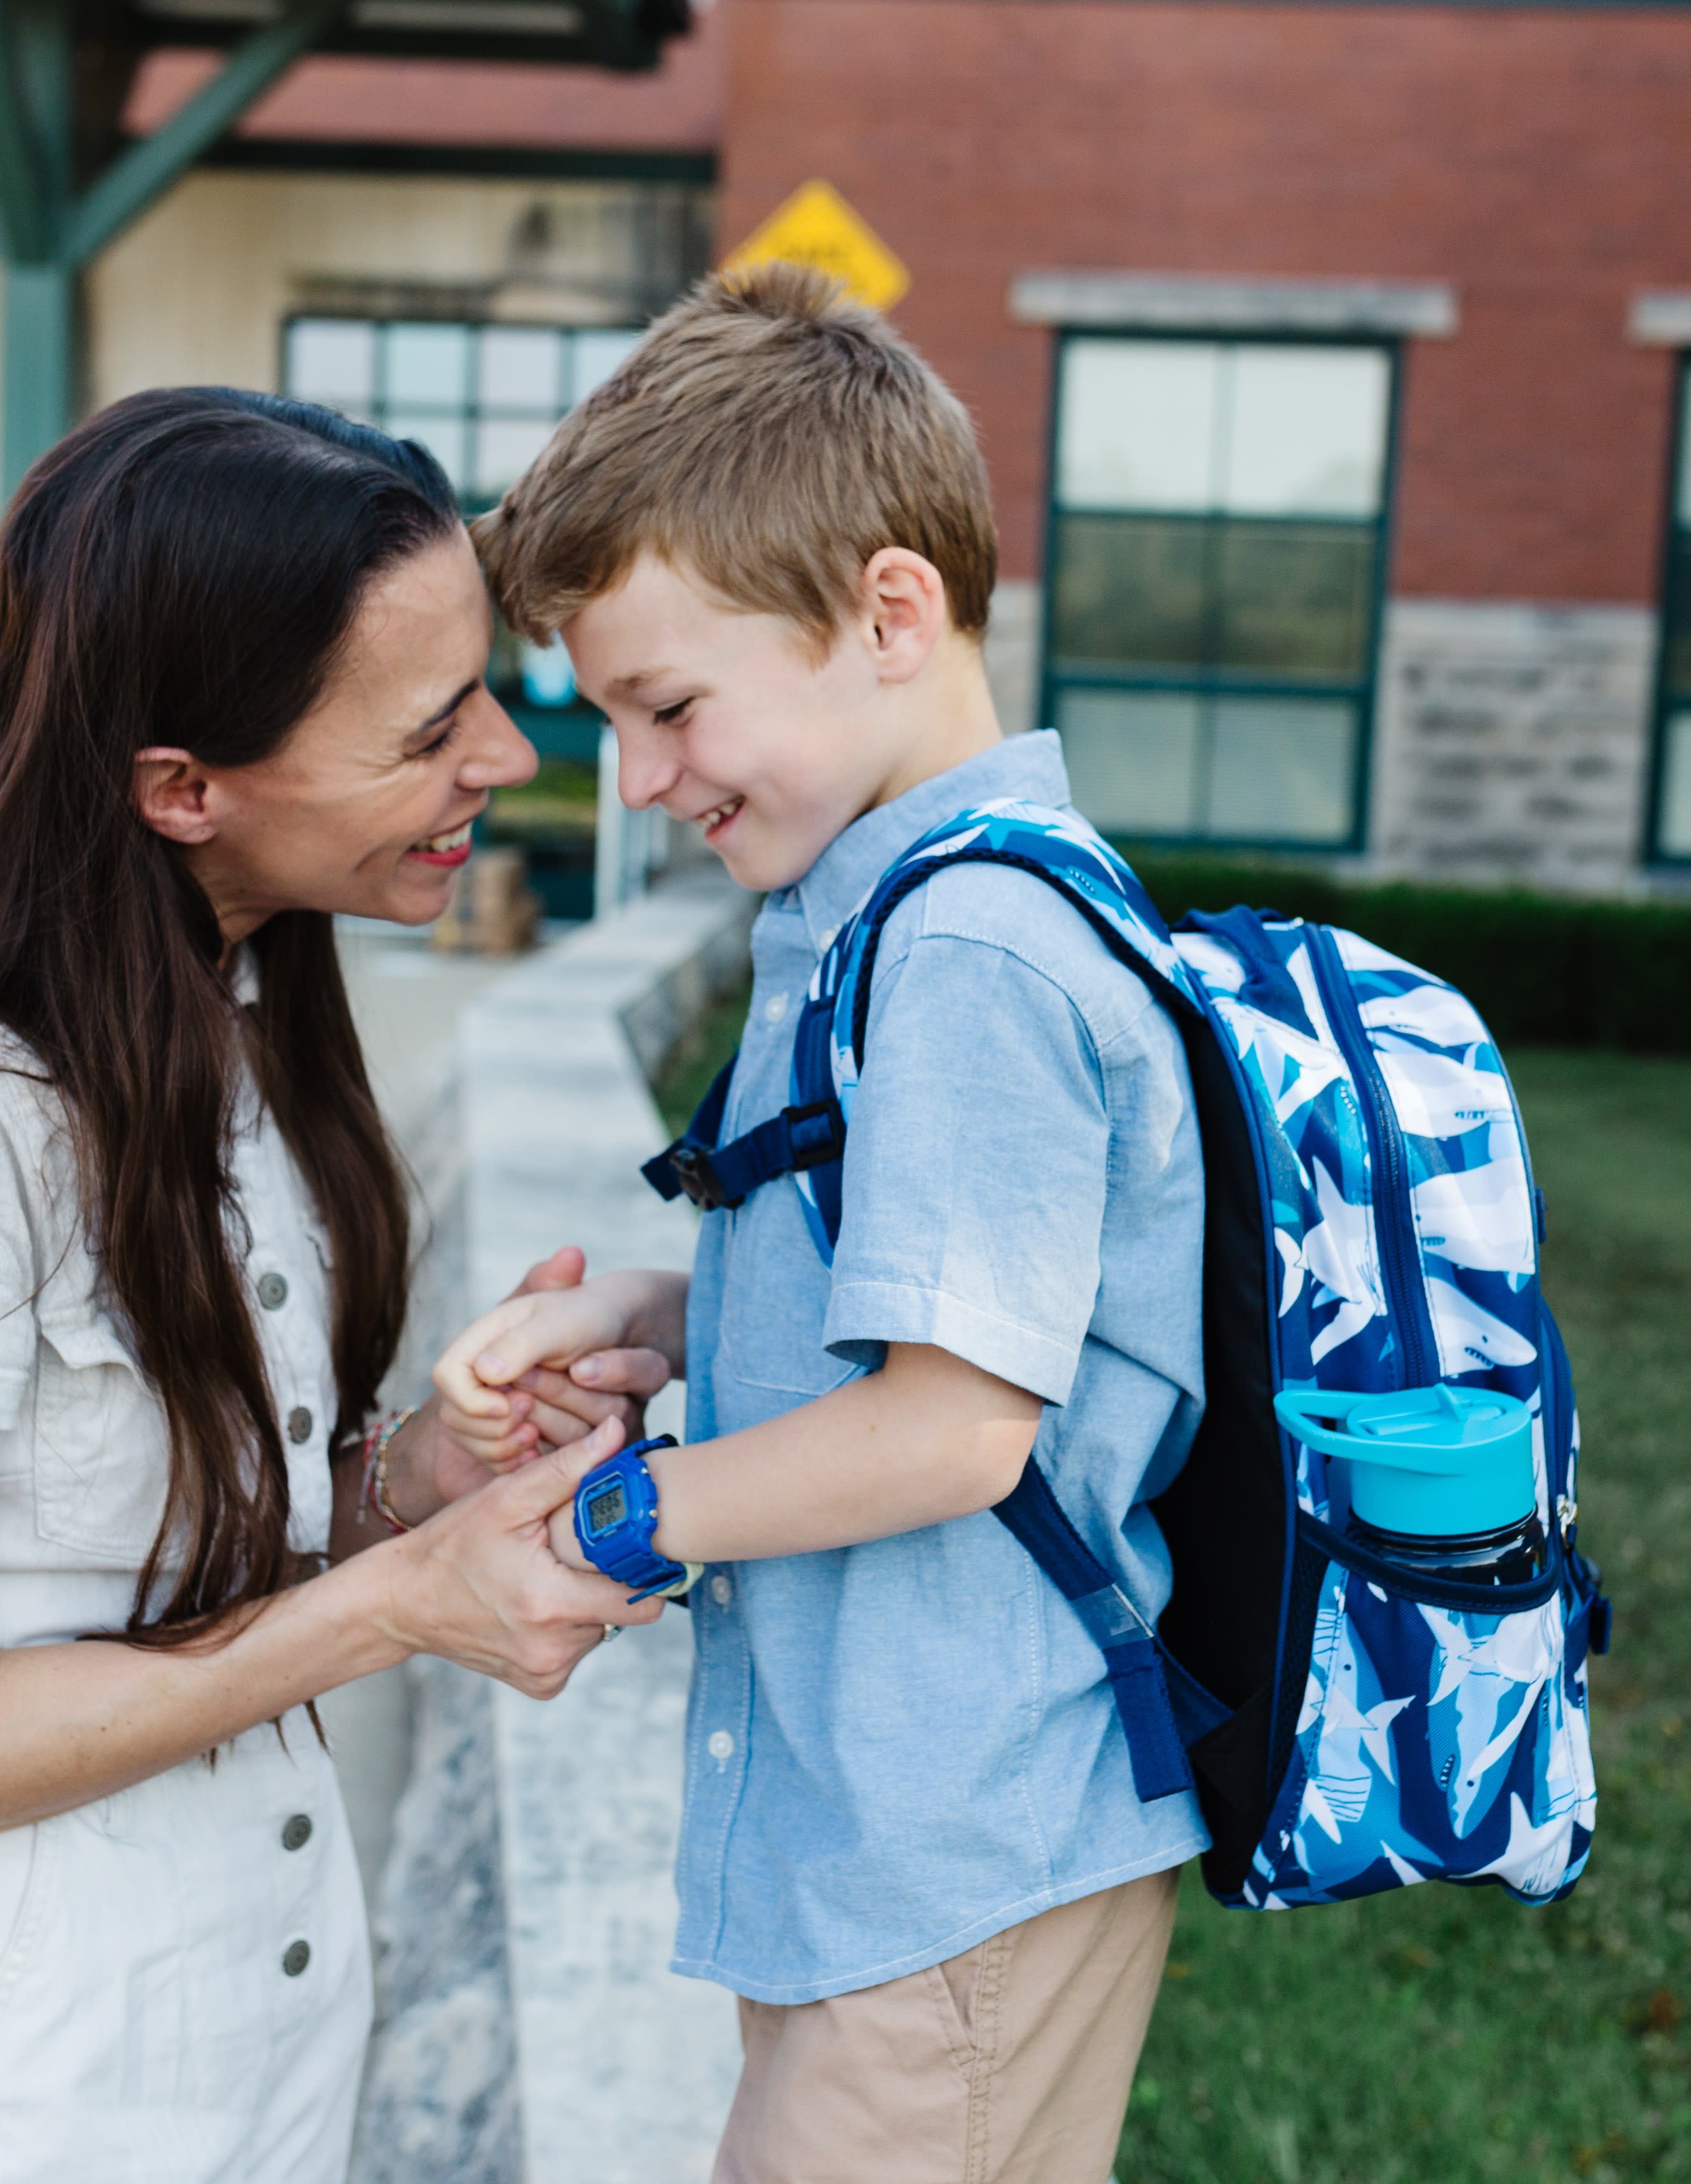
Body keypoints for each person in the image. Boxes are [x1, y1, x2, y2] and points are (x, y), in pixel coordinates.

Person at [0, 387, 665, 2184]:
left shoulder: (227, 1030)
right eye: (427, 728)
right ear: (182, 790)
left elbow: (121, 1554)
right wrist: (395, 1607)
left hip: (250, 2071)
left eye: (487, 687)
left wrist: (413, 1488)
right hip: (19, 2117)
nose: (502, 755)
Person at [437, 266, 1209, 2184]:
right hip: (899, 1848)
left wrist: (621, 1517)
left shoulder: (965, 951)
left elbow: (956, 1424)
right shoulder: (890, 914)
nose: (635, 775)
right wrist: (669, 1306)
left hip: (958, 1859)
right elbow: (947, 1298)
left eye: (669, 704)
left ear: (888, 613)